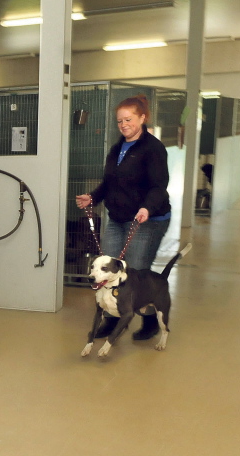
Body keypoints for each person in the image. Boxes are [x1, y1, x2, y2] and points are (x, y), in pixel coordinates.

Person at [76, 94, 172, 340]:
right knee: (109, 271)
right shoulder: (117, 148)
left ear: (142, 117)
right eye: (119, 121)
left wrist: (147, 208)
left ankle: (150, 321)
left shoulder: (153, 149)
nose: (124, 125)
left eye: (128, 119)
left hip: (146, 219)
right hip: (118, 218)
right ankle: (111, 318)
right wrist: (93, 198)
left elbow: (159, 186)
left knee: (137, 274)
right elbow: (110, 183)